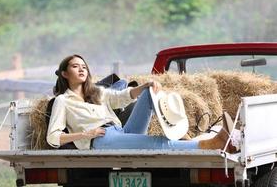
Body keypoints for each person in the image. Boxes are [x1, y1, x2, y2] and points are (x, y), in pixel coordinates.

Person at [47, 54, 236, 151]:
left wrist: (145, 85)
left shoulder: (95, 92)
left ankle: (180, 132)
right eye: (75, 66)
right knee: (157, 142)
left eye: (84, 67)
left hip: (120, 132)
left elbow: (121, 96)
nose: (81, 69)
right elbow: (53, 137)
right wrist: (86, 133)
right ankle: (212, 144)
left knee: (147, 94)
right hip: (101, 139)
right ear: (65, 73)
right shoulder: (62, 101)